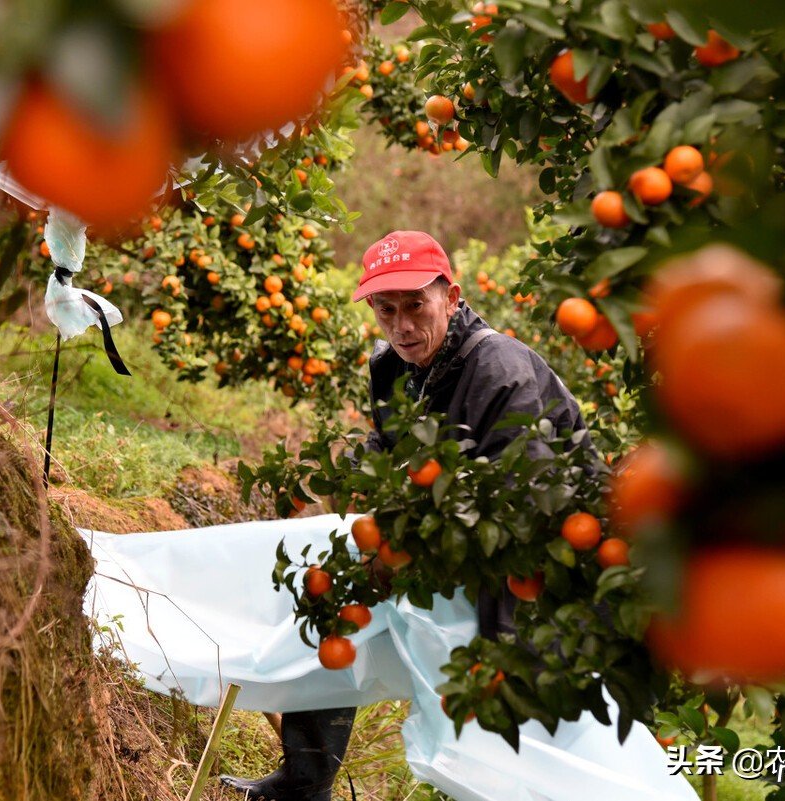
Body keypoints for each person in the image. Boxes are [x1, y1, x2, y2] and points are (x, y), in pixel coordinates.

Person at [220, 230, 591, 801]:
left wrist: (415, 539)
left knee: (511, 681)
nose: (403, 326)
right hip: (457, 530)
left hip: (541, 545)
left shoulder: (501, 369)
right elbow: (389, 451)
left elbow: (522, 497)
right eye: (386, 309)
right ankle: (302, 782)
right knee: (334, 592)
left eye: (417, 305)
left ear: (452, 296)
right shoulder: (390, 367)